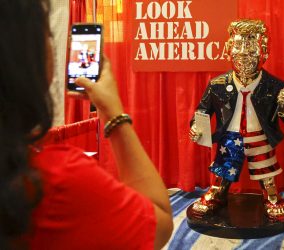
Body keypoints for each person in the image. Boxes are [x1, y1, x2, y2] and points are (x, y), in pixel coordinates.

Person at [0, 0, 173, 249]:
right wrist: (114, 113)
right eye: (47, 35)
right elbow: (159, 224)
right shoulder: (56, 180)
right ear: (23, 59)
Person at [189, 19, 284, 222]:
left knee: (266, 170)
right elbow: (202, 111)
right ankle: (218, 192)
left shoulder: (275, 86)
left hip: (260, 137)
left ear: (264, 52)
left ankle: (270, 195)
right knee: (223, 169)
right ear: (229, 51)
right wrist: (196, 126)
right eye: (239, 48)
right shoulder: (217, 84)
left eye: (251, 49)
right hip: (230, 137)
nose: (245, 55)